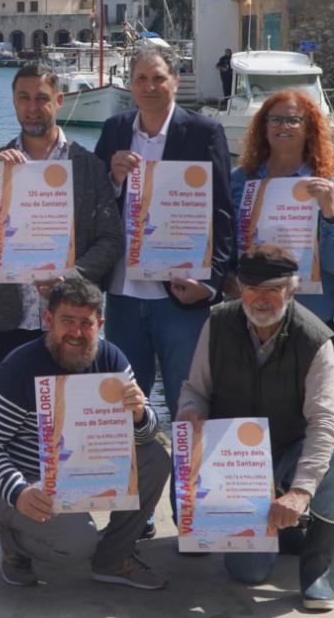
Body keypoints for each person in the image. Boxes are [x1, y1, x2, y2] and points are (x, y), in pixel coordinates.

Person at [177, 246, 334, 613]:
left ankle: (316, 572)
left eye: (272, 289)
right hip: (233, 464)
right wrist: (191, 415)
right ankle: (283, 530)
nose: (261, 298)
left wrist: (301, 491)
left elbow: (325, 423)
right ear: (240, 288)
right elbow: (195, 390)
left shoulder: (315, 339)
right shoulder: (217, 322)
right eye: (252, 288)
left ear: (292, 291)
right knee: (250, 574)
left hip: (290, 449)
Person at [0, 279, 170, 591]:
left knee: (156, 459)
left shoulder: (112, 359)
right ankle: (13, 542)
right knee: (76, 545)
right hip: (24, 483)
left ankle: (113, 559)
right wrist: (19, 493)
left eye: (85, 323)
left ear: (99, 324)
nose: (76, 333)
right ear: (49, 320)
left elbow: (149, 431)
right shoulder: (18, 367)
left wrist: (140, 414)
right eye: (67, 321)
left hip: (83, 471)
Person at [93, 40, 234, 426]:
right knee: (123, 410)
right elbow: (92, 206)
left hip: (181, 298)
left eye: (158, 78)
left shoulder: (204, 132)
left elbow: (222, 213)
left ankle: (185, 490)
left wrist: (210, 284)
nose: (149, 86)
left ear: (175, 80)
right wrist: (114, 178)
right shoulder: (114, 130)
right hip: (122, 294)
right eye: (141, 78)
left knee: (187, 408)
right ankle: (136, 487)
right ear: (131, 84)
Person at [0, 63, 124, 366]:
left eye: (41, 98)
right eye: (24, 98)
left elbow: (111, 239)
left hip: (72, 316)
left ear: (59, 100)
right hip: (9, 316)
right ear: (13, 101)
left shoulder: (88, 166)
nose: (32, 108)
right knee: (15, 411)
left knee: (68, 409)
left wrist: (71, 276)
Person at [229, 90, 334, 325]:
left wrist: (330, 215)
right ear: (264, 127)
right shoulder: (240, 181)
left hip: (310, 318)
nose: (283, 125)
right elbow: (227, 245)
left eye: (294, 119)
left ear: (309, 129)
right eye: (275, 119)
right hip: (250, 314)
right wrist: (227, 278)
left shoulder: (328, 186)